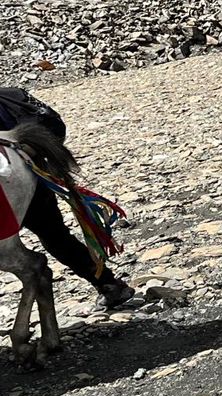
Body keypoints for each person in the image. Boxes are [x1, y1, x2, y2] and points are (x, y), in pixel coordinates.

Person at [0, 87, 139, 310]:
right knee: (56, 237)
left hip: (9, 187)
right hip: (34, 177)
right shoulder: (12, 96)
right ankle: (109, 284)